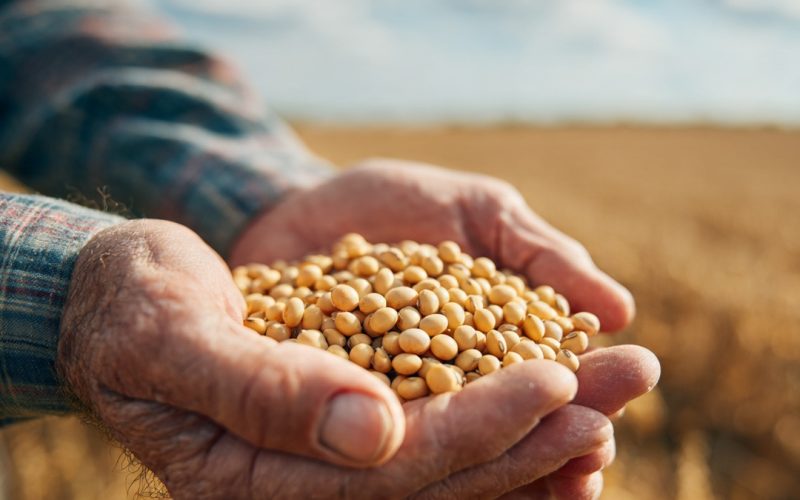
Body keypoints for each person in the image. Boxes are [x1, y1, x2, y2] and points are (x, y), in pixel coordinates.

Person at [0, 0, 660, 497]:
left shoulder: (439, 310)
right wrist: (70, 290)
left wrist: (266, 197)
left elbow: (37, 28)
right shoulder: (356, 313)